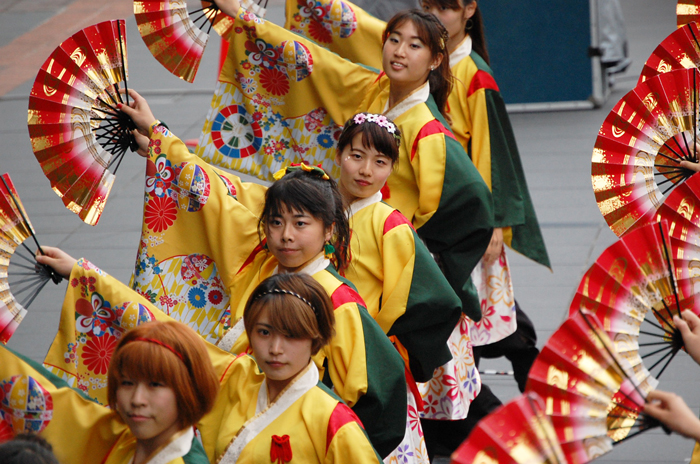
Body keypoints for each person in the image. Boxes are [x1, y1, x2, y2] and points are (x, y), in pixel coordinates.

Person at [40, 91, 408, 458]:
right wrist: (159, 138)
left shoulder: (338, 311)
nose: (286, 235)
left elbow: (377, 392)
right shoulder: (260, 264)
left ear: (330, 229)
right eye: (276, 222)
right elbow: (214, 191)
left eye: (300, 223)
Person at [334, 112, 473, 462]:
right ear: (338, 156)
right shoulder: (321, 210)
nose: (366, 170)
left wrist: (369, 341)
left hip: (370, 349)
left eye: (380, 162)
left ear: (392, 168)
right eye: (356, 156)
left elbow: (400, 301)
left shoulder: (390, 224)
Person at [198, 273, 384, 463]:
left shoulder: (333, 420)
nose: (275, 349)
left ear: (316, 339)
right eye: (264, 332)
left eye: (291, 335)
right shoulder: (236, 382)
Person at [0, 320, 218, 464]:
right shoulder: (123, 435)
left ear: (190, 389)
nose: (136, 400)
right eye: (126, 383)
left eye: (155, 385)